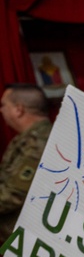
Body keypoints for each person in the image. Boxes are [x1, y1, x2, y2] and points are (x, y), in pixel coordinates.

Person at [0, 83, 52, 245]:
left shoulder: (38, 142)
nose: (1, 110)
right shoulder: (28, 138)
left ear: (18, 109)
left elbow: (14, 193)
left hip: (29, 242)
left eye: (3, 105)